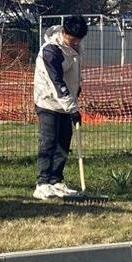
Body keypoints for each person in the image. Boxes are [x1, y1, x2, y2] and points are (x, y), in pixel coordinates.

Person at [32, 15, 89, 199]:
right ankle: (42, 183)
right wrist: (72, 108)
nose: (76, 43)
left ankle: (56, 181)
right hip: (48, 101)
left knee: (63, 142)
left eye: (79, 40)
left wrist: (75, 99)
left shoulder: (76, 48)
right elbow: (56, 82)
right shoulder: (51, 51)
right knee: (48, 142)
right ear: (64, 32)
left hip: (66, 103)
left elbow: (75, 76)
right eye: (72, 39)